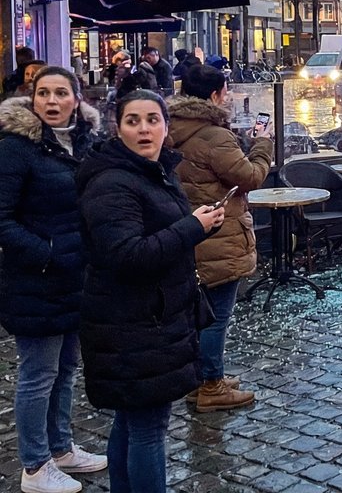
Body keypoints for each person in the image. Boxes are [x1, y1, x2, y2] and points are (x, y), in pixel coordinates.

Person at [76, 89, 223, 493]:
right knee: (147, 428)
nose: (144, 129)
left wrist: (198, 223)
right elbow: (127, 255)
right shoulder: (112, 183)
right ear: (117, 127)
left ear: (165, 125)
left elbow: (160, 232)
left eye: (152, 120)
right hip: (133, 322)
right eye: (133, 121)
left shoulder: (154, 170)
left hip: (152, 316)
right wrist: (193, 227)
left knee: (133, 420)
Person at [0, 67, 106, 493]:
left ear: (76, 99)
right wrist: (47, 253)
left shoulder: (81, 144)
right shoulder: (15, 148)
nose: (51, 100)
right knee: (37, 374)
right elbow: (2, 219)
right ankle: (34, 465)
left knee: (65, 369)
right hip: (35, 281)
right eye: (43, 92)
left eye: (60, 92)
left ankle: (61, 448)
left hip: (73, 277)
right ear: (32, 98)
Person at [167, 65, 271, 412]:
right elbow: (250, 178)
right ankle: (211, 385)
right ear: (215, 95)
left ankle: (202, 377)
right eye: (225, 91)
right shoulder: (213, 135)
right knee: (216, 316)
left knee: (200, 312)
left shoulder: (171, 127)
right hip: (218, 235)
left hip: (187, 231)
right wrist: (261, 144)